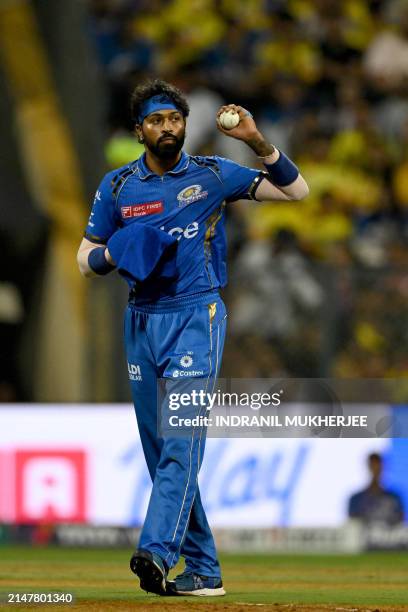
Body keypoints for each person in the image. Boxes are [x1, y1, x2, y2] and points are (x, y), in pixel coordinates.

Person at [77, 79, 309, 597]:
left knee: (180, 441)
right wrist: (116, 254)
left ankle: (156, 552)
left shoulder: (210, 175)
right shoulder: (117, 187)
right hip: (140, 321)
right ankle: (204, 571)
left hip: (194, 318)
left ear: (185, 126)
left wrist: (256, 141)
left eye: (175, 120)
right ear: (140, 130)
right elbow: (85, 260)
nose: (168, 128)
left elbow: (297, 192)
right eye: (157, 121)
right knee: (161, 453)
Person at [348, 452, 404, 526]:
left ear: (383, 467)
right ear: (368, 467)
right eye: (373, 466)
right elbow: (352, 525)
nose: (375, 470)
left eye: (378, 466)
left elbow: (400, 525)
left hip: (388, 537)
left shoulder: (394, 498)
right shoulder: (356, 499)